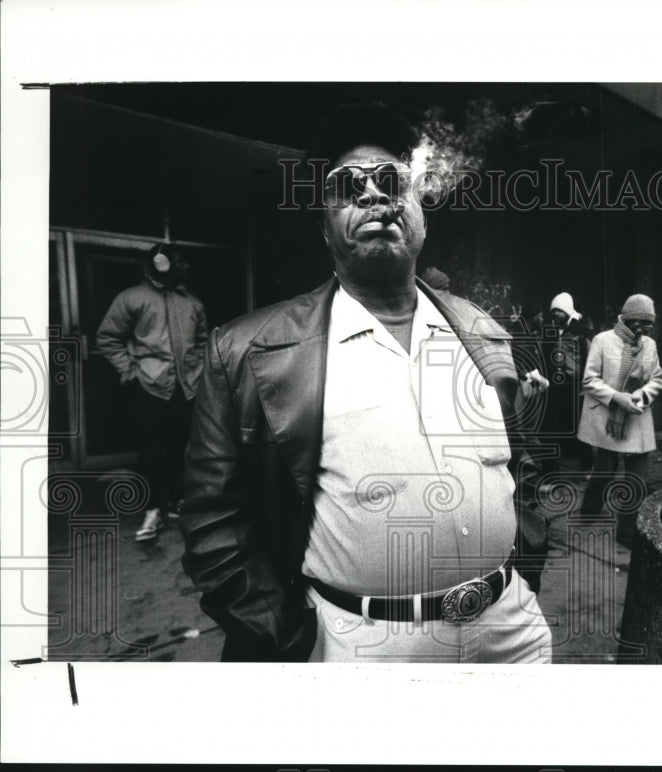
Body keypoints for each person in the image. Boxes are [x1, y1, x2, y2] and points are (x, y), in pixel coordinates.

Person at [179, 102, 552, 663]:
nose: (374, 196)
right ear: (324, 228)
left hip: (510, 634)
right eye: (348, 187)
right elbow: (214, 523)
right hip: (362, 648)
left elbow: (519, 465)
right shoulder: (246, 351)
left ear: (421, 212)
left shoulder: (483, 331)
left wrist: (525, 565)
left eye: (391, 182)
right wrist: (291, 639)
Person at [96, 244, 207, 541]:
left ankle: (178, 502)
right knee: (150, 452)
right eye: (176, 263)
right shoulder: (131, 299)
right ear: (160, 266)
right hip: (150, 388)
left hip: (187, 389)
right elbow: (108, 338)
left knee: (183, 448)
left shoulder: (192, 304)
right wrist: (129, 371)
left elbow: (202, 341)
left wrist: (197, 370)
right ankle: (152, 509)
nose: (182, 268)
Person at [577, 294, 662, 545]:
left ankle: (627, 533)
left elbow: (657, 378)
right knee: (604, 472)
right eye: (638, 321)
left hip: (636, 418)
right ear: (625, 318)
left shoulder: (650, 345)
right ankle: (589, 512)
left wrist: (642, 396)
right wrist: (617, 398)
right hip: (608, 419)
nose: (643, 328)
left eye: (648, 323)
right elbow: (589, 380)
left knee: (637, 479)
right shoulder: (602, 341)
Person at [538, 292, 595, 478]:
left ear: (568, 311)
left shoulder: (582, 332)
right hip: (555, 385)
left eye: (559, 311)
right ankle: (555, 466)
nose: (555, 315)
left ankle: (587, 464)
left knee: (579, 425)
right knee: (553, 425)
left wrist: (586, 385)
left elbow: (591, 360)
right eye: (553, 311)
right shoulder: (550, 331)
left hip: (575, 386)